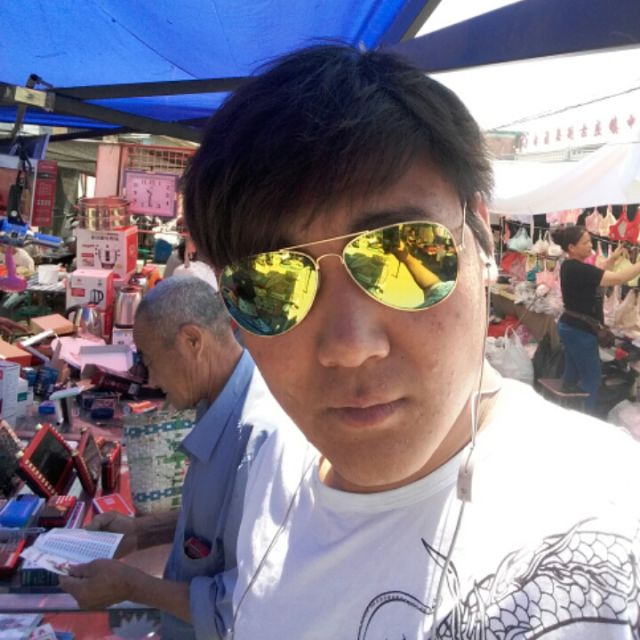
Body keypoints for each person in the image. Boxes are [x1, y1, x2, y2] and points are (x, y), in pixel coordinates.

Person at [183, 44, 640, 639]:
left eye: (403, 254)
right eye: (270, 285)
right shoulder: (277, 457)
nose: (350, 346)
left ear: (480, 237)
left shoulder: (612, 525)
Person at [59, 277, 289, 639]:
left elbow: (243, 607)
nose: (151, 378)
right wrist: (140, 532)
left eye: (149, 360)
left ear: (192, 341)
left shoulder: (262, 440)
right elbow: (215, 523)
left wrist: (131, 586)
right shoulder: (218, 401)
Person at [552, 225, 640, 412]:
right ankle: (587, 417)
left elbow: (595, 274)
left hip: (569, 326)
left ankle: (565, 408)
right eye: (585, 242)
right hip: (579, 331)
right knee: (592, 378)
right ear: (571, 247)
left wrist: (612, 259)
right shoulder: (578, 269)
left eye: (590, 241)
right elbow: (619, 278)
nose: (590, 245)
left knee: (573, 373)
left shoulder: (570, 266)